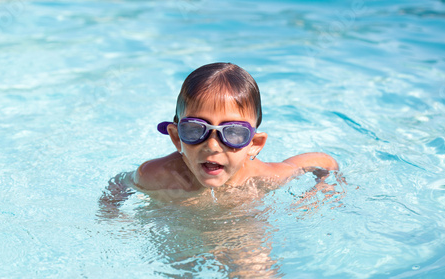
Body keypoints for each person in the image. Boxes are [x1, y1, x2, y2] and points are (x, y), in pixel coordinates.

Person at [105, 62, 338, 203]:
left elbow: (324, 162)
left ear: (255, 144)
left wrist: (324, 188)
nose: (213, 145)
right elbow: (120, 183)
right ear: (177, 137)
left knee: (255, 273)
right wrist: (110, 214)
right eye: (196, 130)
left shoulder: (263, 177)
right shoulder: (156, 175)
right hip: (180, 233)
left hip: (240, 233)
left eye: (234, 133)